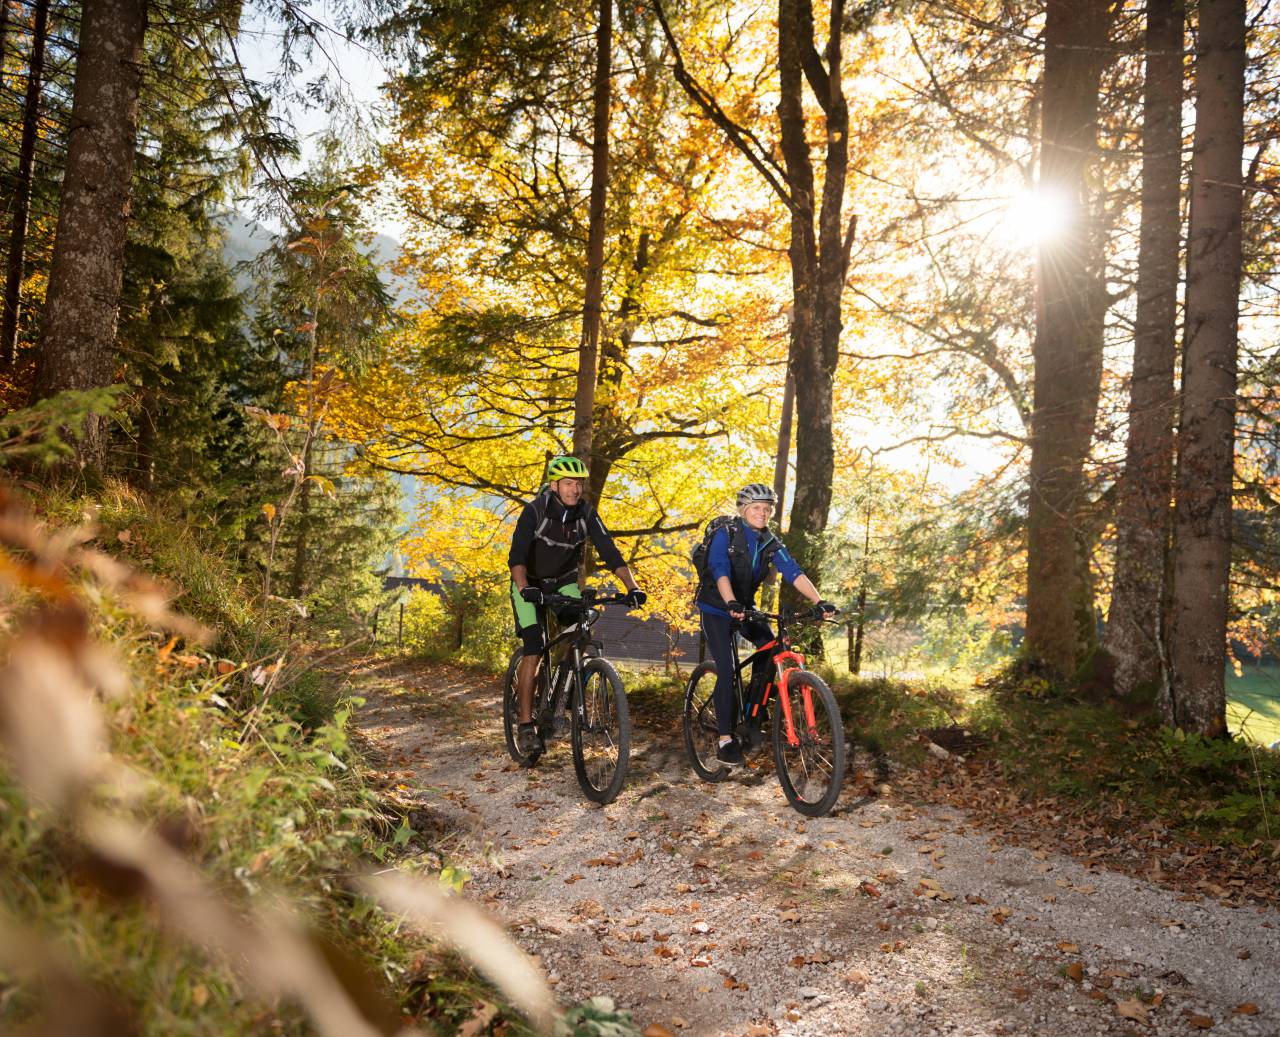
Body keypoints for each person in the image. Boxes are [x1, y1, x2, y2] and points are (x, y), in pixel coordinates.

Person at [508, 455, 645, 755]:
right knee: (533, 647)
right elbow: (516, 557)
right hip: (527, 582)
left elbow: (611, 553)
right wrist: (524, 587)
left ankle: (564, 697)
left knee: (581, 628)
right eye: (568, 483)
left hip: (563, 581)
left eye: (579, 484)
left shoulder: (586, 513)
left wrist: (632, 587)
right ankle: (525, 725)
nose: (574, 489)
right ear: (554, 485)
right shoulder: (535, 511)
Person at [695, 482, 835, 766]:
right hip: (716, 607)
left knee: (772, 646)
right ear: (744, 509)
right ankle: (725, 740)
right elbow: (719, 568)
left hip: (744, 607)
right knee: (727, 668)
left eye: (767, 509)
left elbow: (793, 572)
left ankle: (753, 707)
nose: (762, 513)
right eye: (757, 508)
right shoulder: (726, 533)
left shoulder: (769, 541)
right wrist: (730, 602)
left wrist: (820, 602)